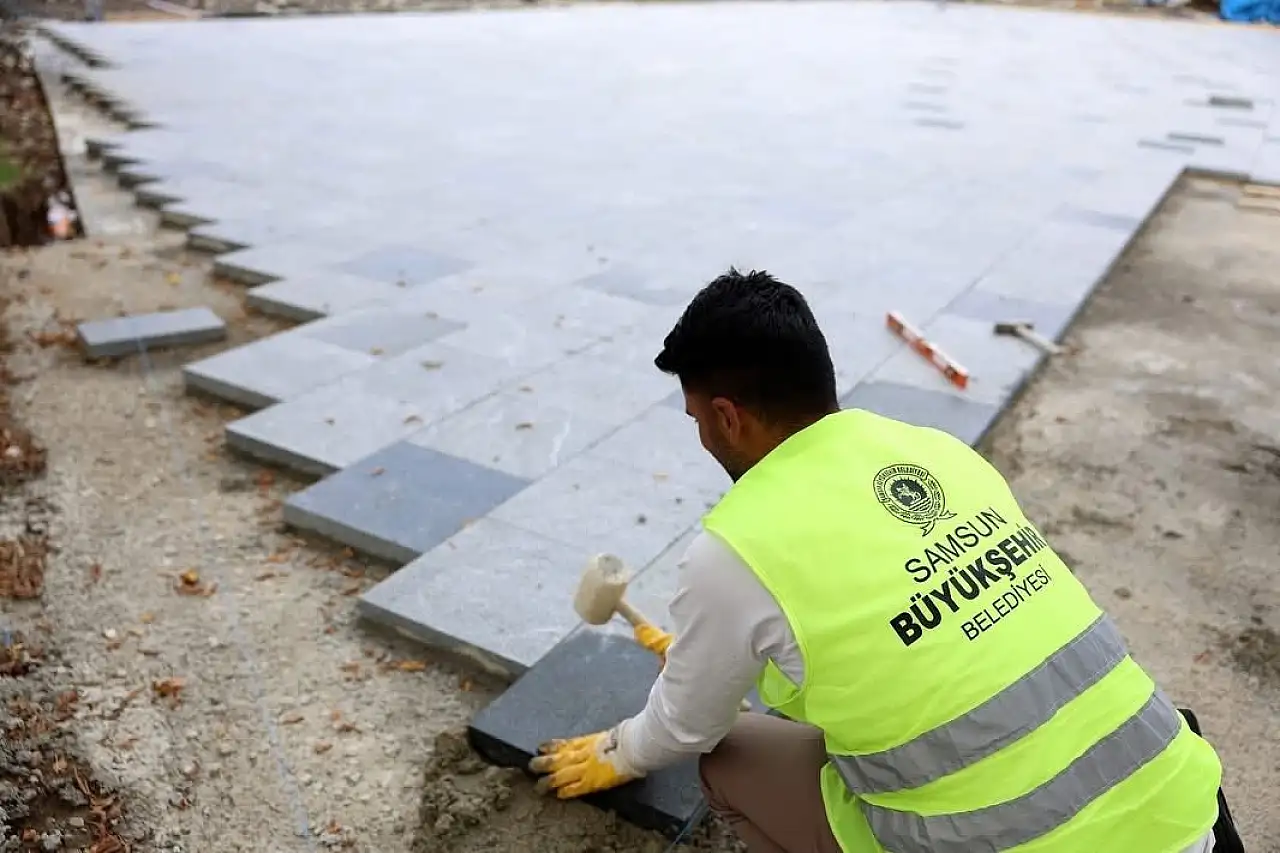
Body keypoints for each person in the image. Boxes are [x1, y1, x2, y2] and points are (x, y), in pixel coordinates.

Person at [529, 269, 1225, 853]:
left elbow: (685, 729)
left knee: (726, 761)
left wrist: (618, 751)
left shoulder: (735, 551)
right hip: (1185, 817)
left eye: (698, 421)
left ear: (727, 416)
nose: (704, 437)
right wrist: (705, 658)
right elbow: (883, 642)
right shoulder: (941, 452)